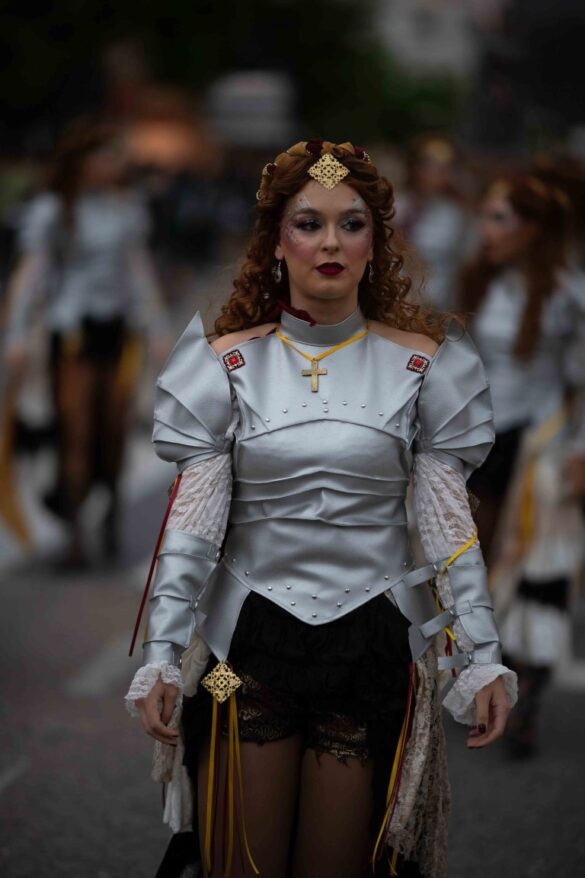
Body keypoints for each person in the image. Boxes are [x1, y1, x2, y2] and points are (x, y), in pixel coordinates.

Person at [125, 141, 516, 878]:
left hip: (372, 648)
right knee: (238, 862)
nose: (330, 242)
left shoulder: (427, 365)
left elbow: (448, 529)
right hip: (242, 651)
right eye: (308, 223)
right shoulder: (221, 364)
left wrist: (482, 654)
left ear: (376, 243)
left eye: (351, 224)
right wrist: (160, 657)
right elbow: (193, 528)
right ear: (276, 242)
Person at [3, 117, 170, 566]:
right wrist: (16, 336)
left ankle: (110, 509)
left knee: (114, 428)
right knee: (74, 430)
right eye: (102, 154)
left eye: (114, 154)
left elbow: (138, 272)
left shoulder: (127, 209)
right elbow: (31, 276)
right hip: (72, 331)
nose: (111, 163)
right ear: (80, 159)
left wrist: (156, 328)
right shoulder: (53, 210)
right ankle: (76, 534)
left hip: (118, 330)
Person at [459, 175, 585, 757]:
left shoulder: (568, 293)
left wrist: (581, 451)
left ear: (531, 230)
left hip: (542, 447)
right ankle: (487, 679)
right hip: (483, 441)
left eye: (499, 218)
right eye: (485, 215)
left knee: (537, 569)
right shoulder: (483, 280)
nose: (486, 229)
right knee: (473, 562)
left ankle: (525, 689)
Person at [394, 135, 470, 311]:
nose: (438, 171)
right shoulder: (397, 205)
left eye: (446, 165)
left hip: (438, 306)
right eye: (430, 163)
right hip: (396, 301)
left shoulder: (458, 214)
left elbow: (463, 264)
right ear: (414, 166)